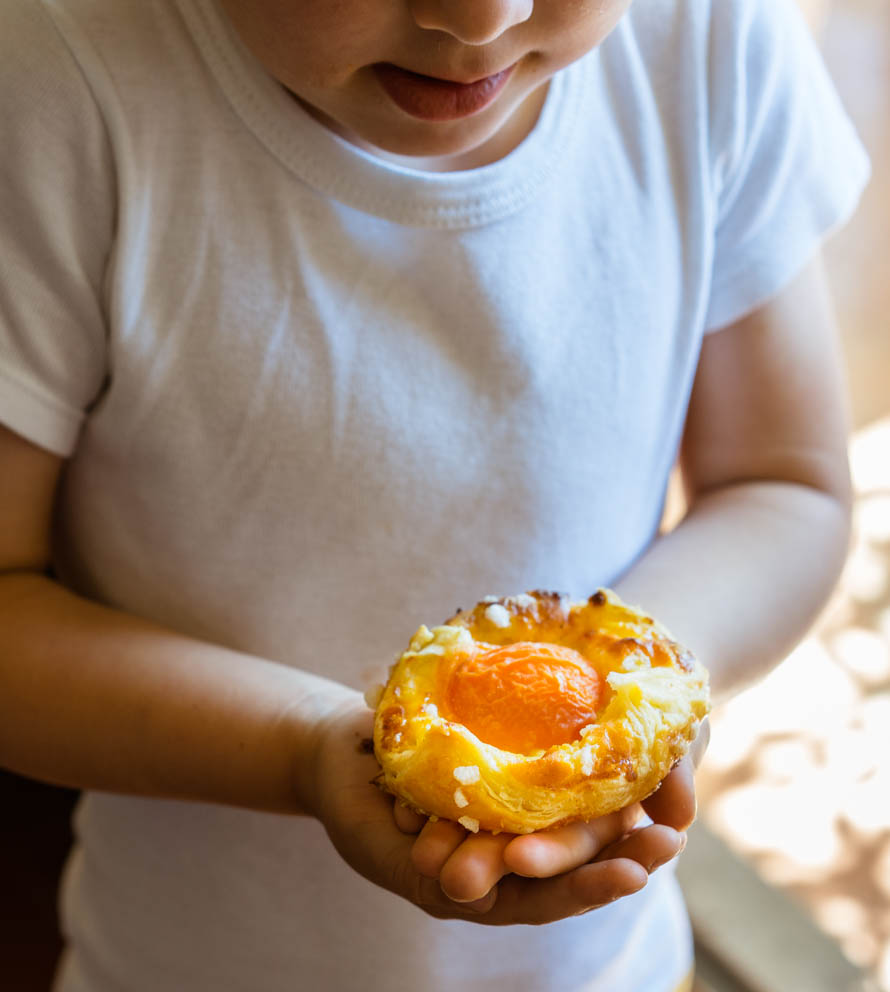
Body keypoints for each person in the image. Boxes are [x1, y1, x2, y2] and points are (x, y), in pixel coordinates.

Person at [0, 0, 868, 988]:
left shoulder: (707, 37)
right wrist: (296, 748)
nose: (480, 16)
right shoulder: (49, 84)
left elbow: (778, 482)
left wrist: (625, 701)